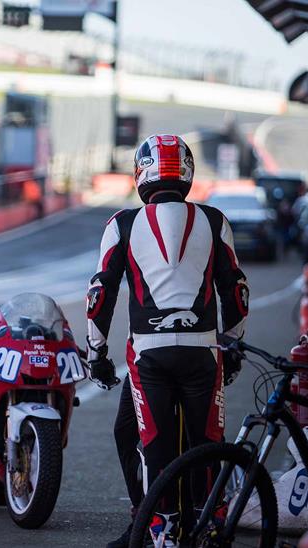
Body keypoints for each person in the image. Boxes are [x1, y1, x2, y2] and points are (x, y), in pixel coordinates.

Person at [85, 134, 249, 547]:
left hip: (148, 356)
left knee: (152, 443)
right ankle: (207, 526)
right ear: (187, 172)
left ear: (142, 172)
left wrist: (96, 353)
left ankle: (162, 530)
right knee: (205, 441)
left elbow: (99, 295)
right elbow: (237, 293)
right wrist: (232, 346)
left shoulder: (122, 223)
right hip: (204, 353)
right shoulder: (214, 220)